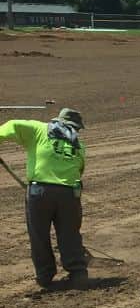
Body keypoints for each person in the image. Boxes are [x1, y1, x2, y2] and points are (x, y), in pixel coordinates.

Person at [0, 108, 88, 290]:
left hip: (40, 193)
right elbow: (79, 170)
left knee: (39, 235)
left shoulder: (39, 129)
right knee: (69, 233)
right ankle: (78, 272)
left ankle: (45, 275)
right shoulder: (78, 145)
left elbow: (12, 125)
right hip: (69, 194)